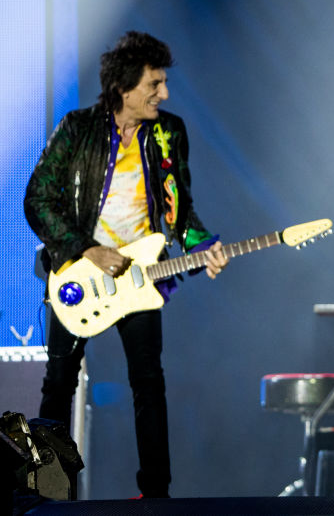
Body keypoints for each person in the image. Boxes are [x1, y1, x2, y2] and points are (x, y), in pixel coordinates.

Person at [24, 30, 229, 499]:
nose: (165, 93)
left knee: (148, 382)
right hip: (78, 273)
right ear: (124, 88)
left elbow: (179, 212)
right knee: (58, 383)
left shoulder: (167, 132)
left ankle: (156, 494)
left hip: (139, 275)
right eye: (154, 84)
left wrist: (206, 248)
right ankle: (45, 495)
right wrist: (84, 249)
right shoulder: (77, 129)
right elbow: (37, 199)